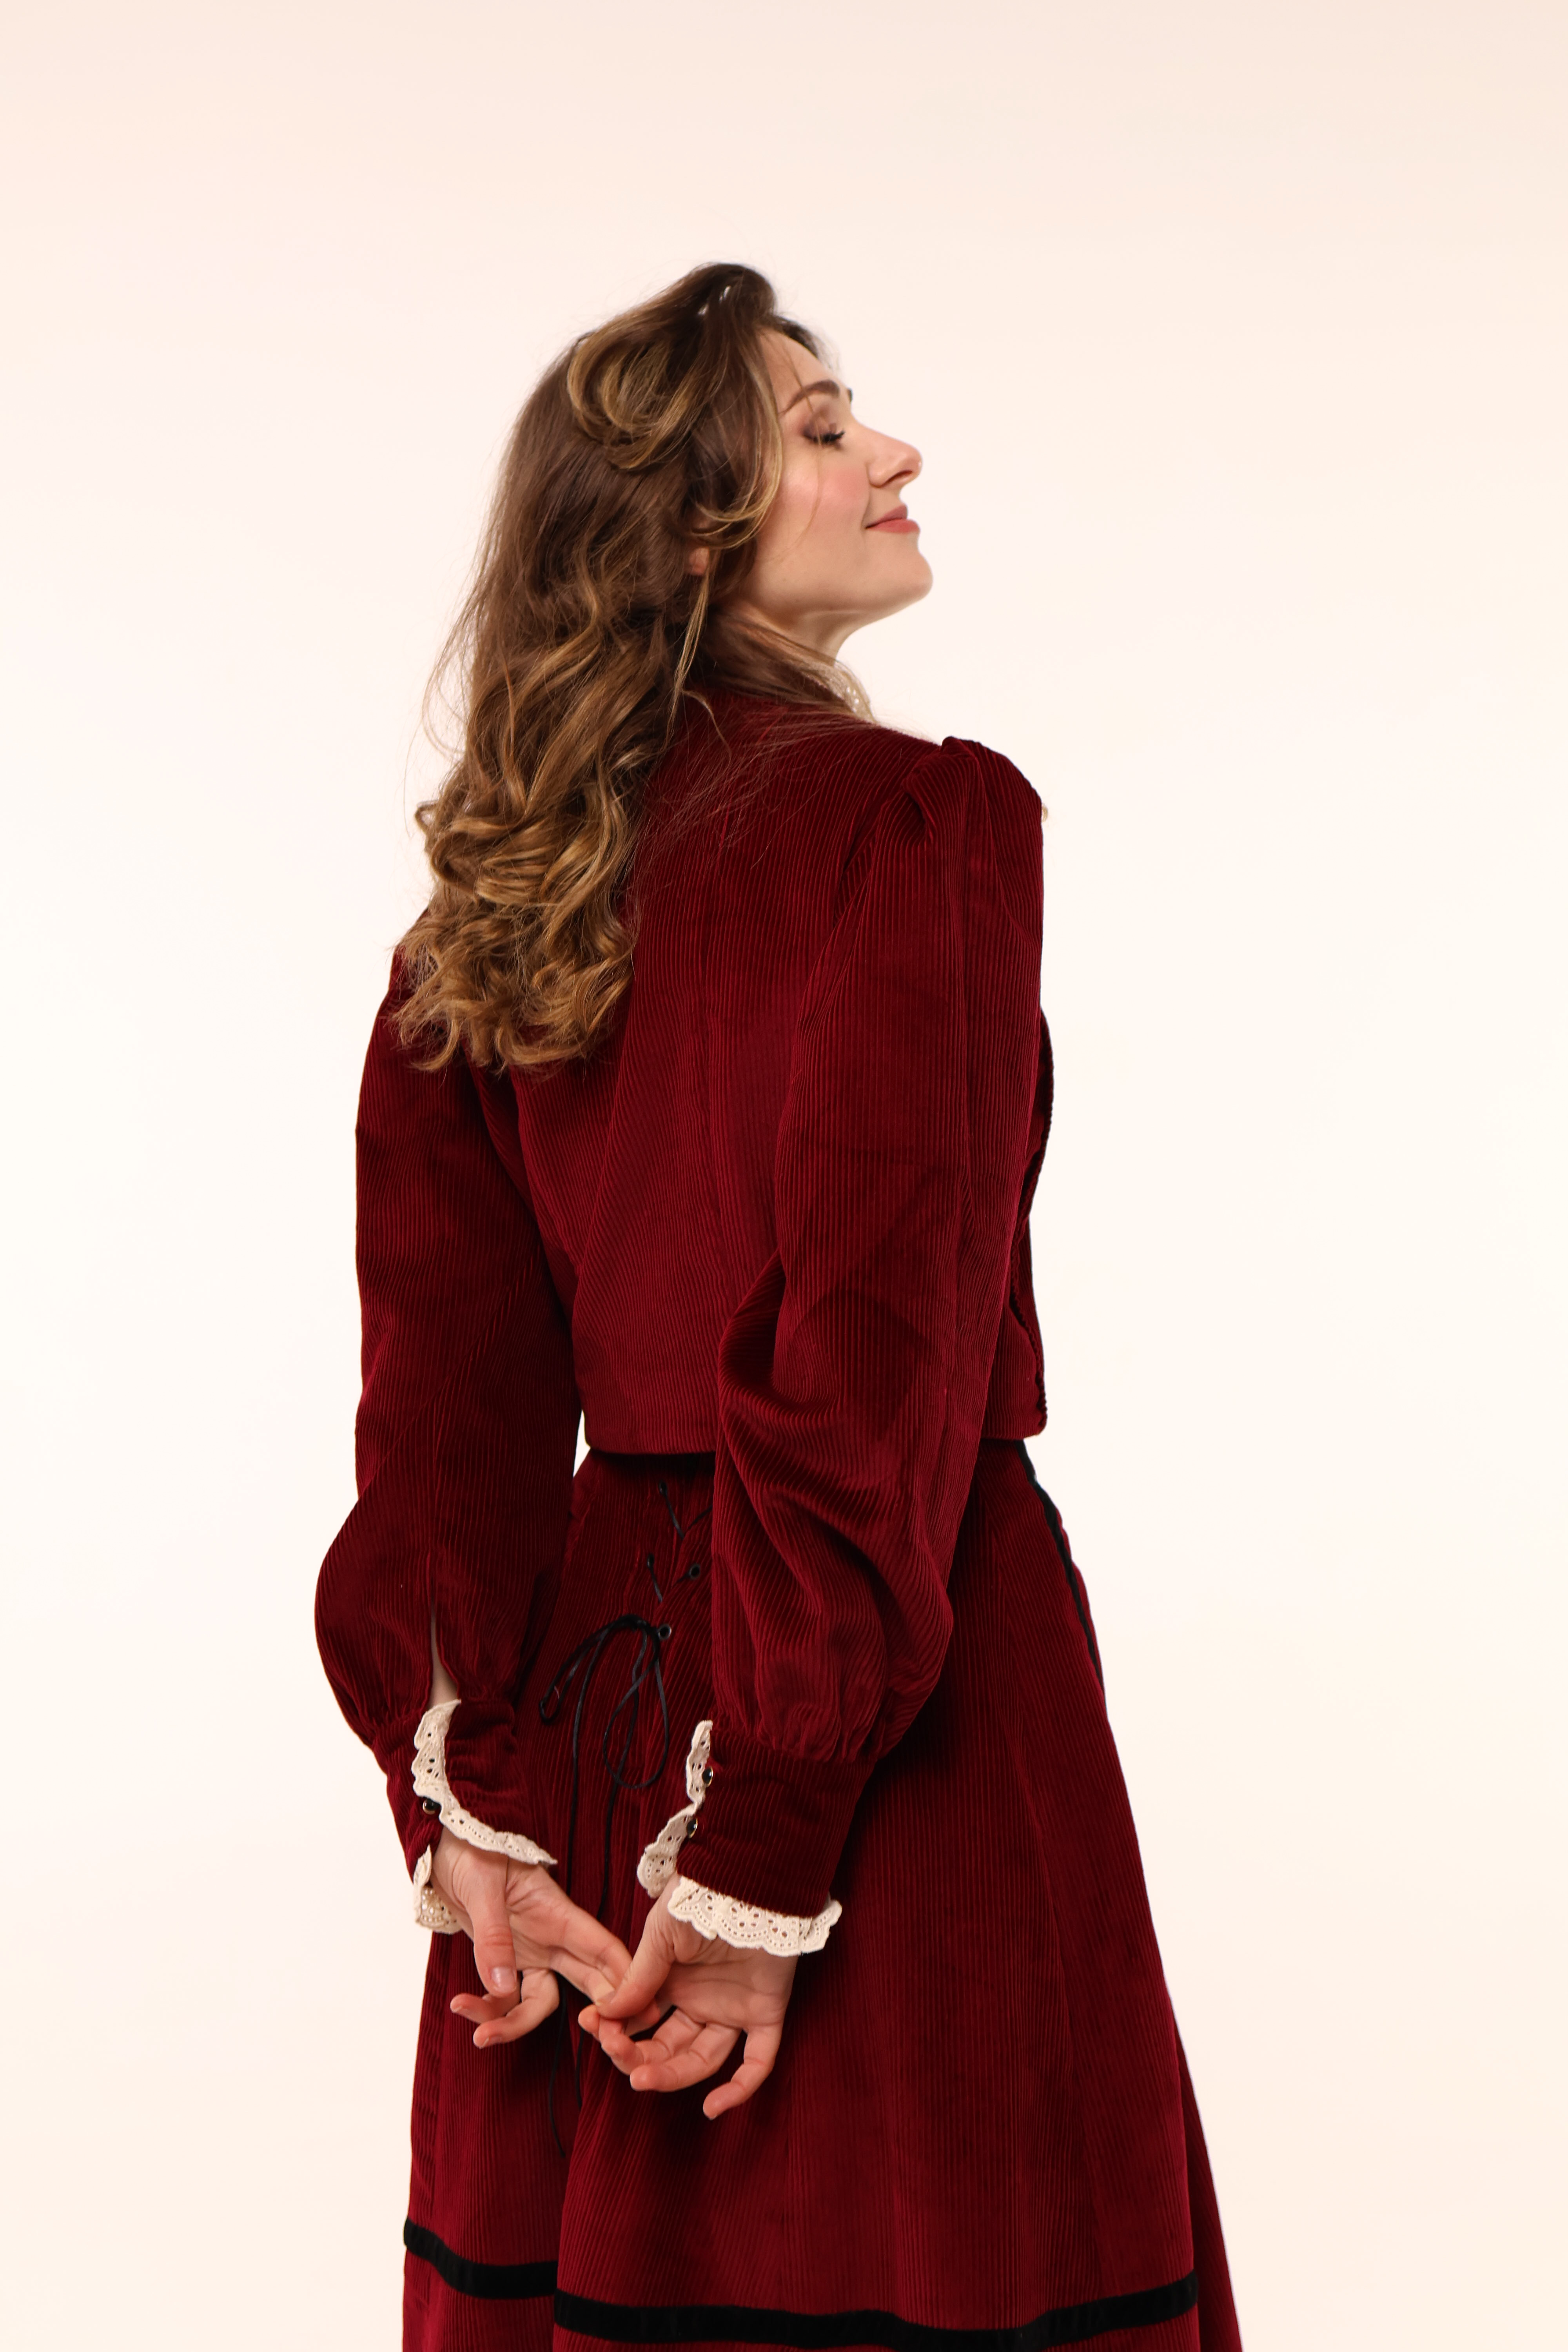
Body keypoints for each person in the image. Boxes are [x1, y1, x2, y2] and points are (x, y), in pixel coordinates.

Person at [316, 261, 1243, 2352]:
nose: (894, 451)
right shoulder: (923, 824)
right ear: (694, 530)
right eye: (821, 429)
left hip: (592, 1708)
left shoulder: (491, 908)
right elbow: (873, 1362)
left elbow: (439, 1429)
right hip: (883, 1692)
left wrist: (466, 1811)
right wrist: (763, 1851)